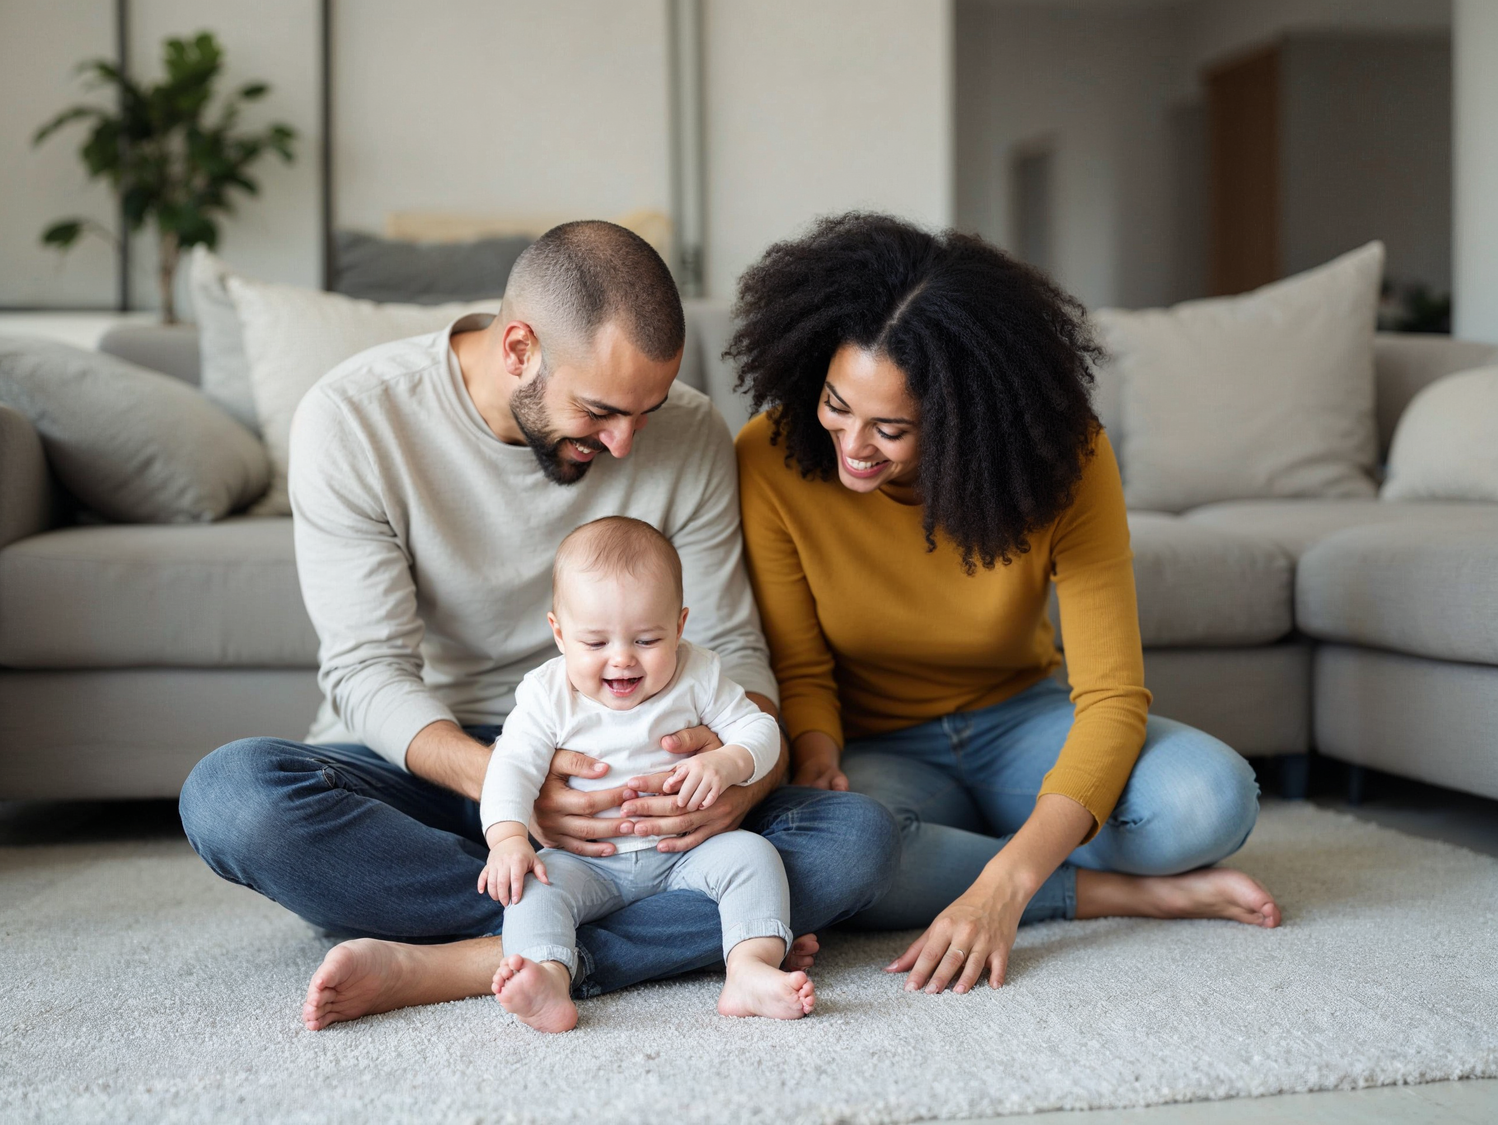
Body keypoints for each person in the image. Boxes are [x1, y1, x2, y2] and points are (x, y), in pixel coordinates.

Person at [177, 221, 895, 1030]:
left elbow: (734, 656)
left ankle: (468, 959)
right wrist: (510, 790)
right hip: (447, 770)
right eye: (600, 410)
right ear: (518, 348)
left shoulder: (688, 432)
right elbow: (367, 672)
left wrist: (735, 784)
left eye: (646, 411)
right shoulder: (354, 418)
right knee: (233, 799)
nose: (626, 442)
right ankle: (609, 937)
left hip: (638, 787)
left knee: (857, 838)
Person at [731, 213, 1281, 999]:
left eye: (891, 428)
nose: (851, 445)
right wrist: (817, 751)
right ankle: (1111, 890)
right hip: (876, 743)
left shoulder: (1065, 459)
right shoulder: (771, 454)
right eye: (835, 404)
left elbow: (1114, 697)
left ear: (965, 420)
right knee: (821, 857)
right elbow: (802, 663)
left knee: (1212, 799)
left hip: (1022, 720)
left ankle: (1000, 854)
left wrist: (1004, 885)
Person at [480, 517, 814, 1032]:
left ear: (679, 627)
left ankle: (749, 968)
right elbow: (511, 764)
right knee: (529, 887)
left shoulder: (699, 672)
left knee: (754, 855)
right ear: (559, 633)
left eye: (646, 639)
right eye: (594, 643)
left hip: (686, 853)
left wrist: (729, 762)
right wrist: (506, 838)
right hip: (586, 863)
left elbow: (761, 729)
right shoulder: (546, 693)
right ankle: (548, 976)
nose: (621, 660)